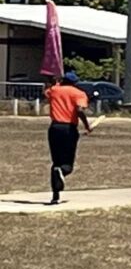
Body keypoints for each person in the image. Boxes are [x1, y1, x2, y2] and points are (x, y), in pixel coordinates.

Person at [43, 72, 92, 205]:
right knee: (67, 164)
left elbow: (46, 91)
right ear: (75, 82)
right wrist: (87, 125)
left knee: (56, 162)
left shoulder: (54, 90)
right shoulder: (79, 93)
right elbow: (79, 110)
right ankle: (62, 172)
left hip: (54, 127)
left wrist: (55, 81)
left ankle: (55, 195)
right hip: (69, 128)